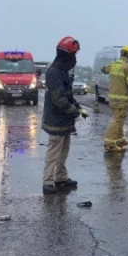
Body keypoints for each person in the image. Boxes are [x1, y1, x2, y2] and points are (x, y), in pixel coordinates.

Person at [42, 36, 88, 194]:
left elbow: (68, 96)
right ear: (67, 55)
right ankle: (47, 181)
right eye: (74, 54)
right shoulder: (54, 73)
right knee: (54, 151)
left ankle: (61, 177)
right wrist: (75, 113)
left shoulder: (62, 72)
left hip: (64, 121)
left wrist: (78, 108)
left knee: (63, 152)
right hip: (56, 120)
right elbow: (59, 99)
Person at [101, 45, 128, 152]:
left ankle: (119, 139)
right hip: (122, 99)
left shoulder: (113, 64)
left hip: (112, 98)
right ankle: (109, 142)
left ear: (121, 53)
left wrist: (105, 68)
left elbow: (104, 69)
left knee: (119, 119)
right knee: (117, 120)